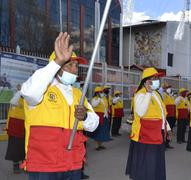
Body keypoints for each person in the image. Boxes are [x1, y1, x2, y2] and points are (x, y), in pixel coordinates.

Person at [20, 32, 99, 179]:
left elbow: (93, 124)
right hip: (45, 164)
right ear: (57, 66)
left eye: (76, 66)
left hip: (73, 163)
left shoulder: (78, 94)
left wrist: (85, 116)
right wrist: (57, 62)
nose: (75, 69)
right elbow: (28, 92)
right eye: (69, 64)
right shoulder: (41, 88)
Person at [125, 67, 172, 180]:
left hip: (157, 134)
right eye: (154, 78)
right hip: (145, 136)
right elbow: (140, 112)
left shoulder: (156, 94)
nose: (157, 80)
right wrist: (148, 93)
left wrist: (168, 129)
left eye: (157, 78)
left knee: (155, 164)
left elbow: (162, 114)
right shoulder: (140, 94)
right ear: (146, 80)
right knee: (146, 166)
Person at [5, 84, 25, 174]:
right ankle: (16, 165)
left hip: (27, 123)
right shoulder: (16, 96)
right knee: (15, 145)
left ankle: (24, 164)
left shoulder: (30, 97)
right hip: (16, 124)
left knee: (25, 146)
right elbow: (13, 104)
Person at [89, 86, 112, 150]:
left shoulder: (103, 98)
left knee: (103, 131)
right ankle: (96, 146)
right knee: (98, 131)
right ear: (97, 93)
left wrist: (107, 114)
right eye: (100, 92)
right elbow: (94, 105)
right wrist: (99, 99)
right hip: (98, 117)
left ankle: (100, 145)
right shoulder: (94, 99)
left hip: (104, 116)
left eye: (102, 92)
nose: (102, 93)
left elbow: (105, 108)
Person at [162, 83, 176, 149]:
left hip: (171, 115)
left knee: (170, 130)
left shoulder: (170, 96)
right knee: (165, 130)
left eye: (169, 88)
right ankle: (163, 145)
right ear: (164, 89)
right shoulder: (163, 95)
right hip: (167, 115)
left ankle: (167, 143)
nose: (169, 89)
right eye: (167, 88)